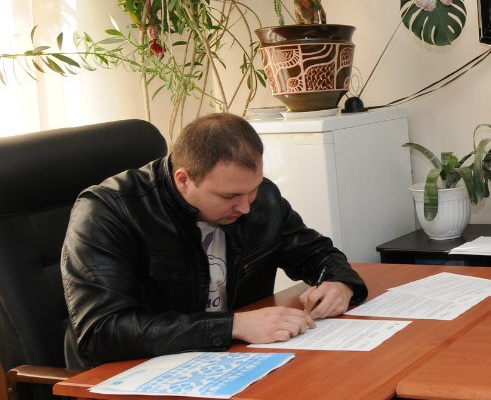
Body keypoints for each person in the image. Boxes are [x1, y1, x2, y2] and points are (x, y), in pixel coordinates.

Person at [63, 113, 367, 367]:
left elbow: (316, 254)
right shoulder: (108, 212)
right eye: (229, 196)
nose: (246, 207)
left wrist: (340, 283)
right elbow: (100, 332)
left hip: (229, 360)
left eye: (253, 189)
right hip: (130, 378)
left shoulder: (261, 199)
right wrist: (235, 325)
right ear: (184, 180)